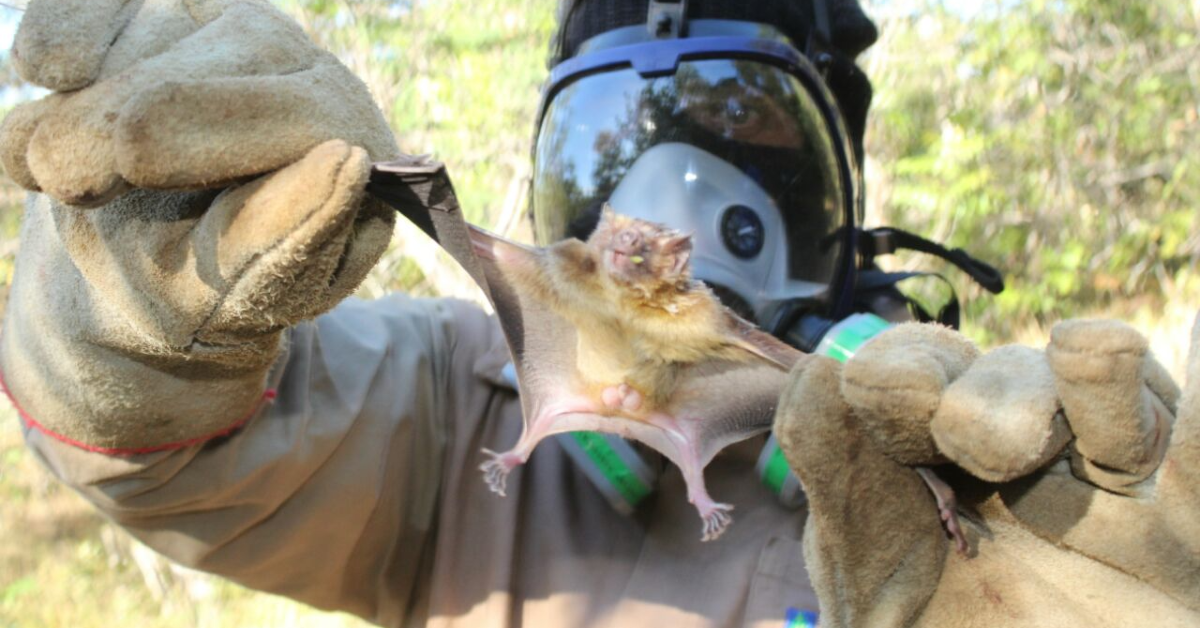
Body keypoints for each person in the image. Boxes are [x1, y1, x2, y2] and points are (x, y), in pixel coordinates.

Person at [1, 1, 1196, 627]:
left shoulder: (988, 452)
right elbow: (194, 458)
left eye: (747, 134)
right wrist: (132, 325)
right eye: (611, 149)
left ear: (839, 185)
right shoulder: (458, 391)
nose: (669, 197)